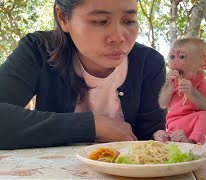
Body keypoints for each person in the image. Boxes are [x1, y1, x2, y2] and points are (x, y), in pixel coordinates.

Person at [0, 0, 166, 149]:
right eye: (100, 21)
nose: (118, 37)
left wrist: (165, 138)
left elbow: (150, 140)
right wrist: (93, 126)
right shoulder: (39, 51)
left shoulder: (149, 64)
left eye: (129, 21)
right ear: (63, 18)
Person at [154, 37, 206, 144]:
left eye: (181, 56)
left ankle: (192, 143)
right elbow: (162, 104)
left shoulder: (202, 82)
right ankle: (167, 139)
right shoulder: (172, 82)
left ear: (204, 62)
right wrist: (169, 86)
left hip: (195, 125)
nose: (175, 62)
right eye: (172, 56)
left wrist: (192, 92)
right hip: (174, 126)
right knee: (158, 134)